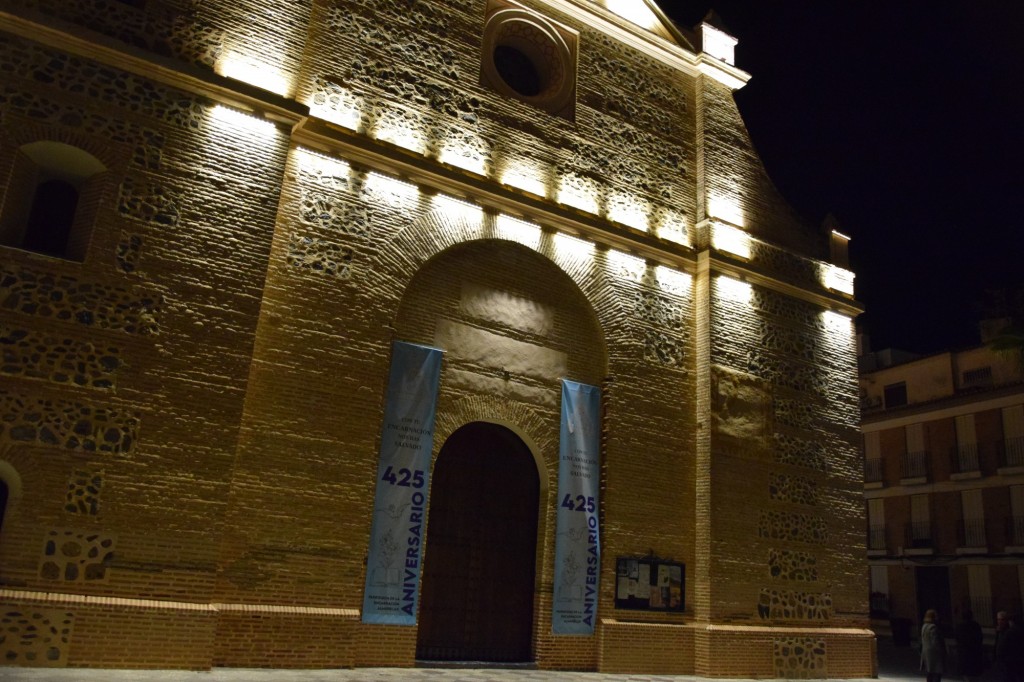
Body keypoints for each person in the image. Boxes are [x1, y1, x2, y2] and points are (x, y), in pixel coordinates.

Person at [954, 610, 983, 682]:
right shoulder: (976, 625)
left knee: (966, 676)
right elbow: (980, 638)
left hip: (964, 654)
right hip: (975, 653)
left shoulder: (959, 626)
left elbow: (957, 638)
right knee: (975, 675)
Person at [995, 611, 1024, 682]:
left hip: (1009, 661)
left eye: (1002, 619)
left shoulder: (1009, 631)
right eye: (998, 619)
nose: (1000, 621)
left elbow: (1001, 647)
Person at [921, 609, 947, 682]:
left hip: (926, 652)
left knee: (929, 672)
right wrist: (942, 651)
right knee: (937, 672)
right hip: (934, 653)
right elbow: (935, 641)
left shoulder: (924, 626)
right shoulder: (933, 627)